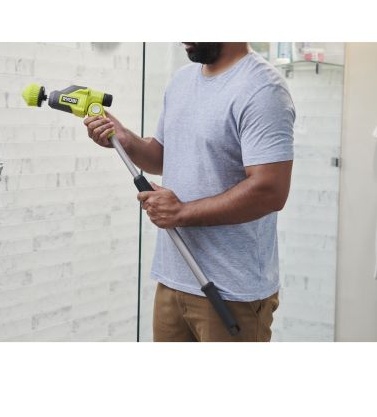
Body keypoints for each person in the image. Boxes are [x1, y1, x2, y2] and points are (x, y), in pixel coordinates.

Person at [84, 42, 295, 342]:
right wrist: (125, 139)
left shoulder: (262, 89)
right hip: (173, 279)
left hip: (231, 291)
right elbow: (160, 157)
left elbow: (270, 190)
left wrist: (181, 212)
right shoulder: (181, 81)